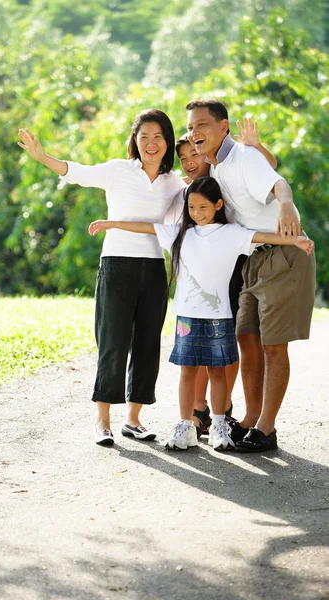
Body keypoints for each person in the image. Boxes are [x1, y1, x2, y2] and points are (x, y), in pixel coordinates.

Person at [88, 177, 314, 451]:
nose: (197, 213)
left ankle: (219, 425)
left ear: (218, 205)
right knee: (188, 373)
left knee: (217, 373)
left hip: (219, 317)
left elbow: (262, 236)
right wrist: (111, 224)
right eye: (192, 207)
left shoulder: (231, 233)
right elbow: (146, 228)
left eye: (203, 207)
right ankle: (186, 426)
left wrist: (297, 241)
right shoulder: (181, 234)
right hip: (186, 318)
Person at [17, 109, 186, 446]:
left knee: (147, 344)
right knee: (113, 342)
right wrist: (42, 157)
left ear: (167, 141)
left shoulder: (174, 183)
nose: (151, 143)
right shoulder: (118, 171)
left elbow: (186, 213)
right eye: (144, 137)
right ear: (134, 141)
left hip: (153, 267)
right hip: (117, 264)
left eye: (158, 137)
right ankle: (102, 420)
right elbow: (76, 171)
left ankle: (134, 419)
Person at [186, 99, 316, 452]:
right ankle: (250, 419)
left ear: (223, 126)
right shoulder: (214, 169)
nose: (194, 133)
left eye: (202, 125)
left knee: (274, 345)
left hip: (284, 252)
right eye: (190, 127)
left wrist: (286, 203)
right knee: (246, 339)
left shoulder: (242, 157)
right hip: (253, 260)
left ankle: (266, 428)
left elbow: (278, 182)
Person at [174, 121, 278, 438]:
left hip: (236, 265)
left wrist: (255, 144)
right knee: (201, 345)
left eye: (195, 152)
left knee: (227, 340)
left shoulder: (223, 172)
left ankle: (223, 409)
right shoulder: (187, 191)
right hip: (201, 283)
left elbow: (269, 168)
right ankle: (200, 410)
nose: (191, 160)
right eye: (183, 157)